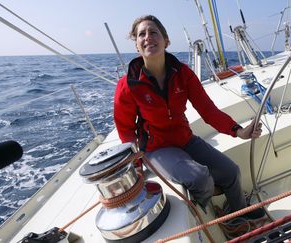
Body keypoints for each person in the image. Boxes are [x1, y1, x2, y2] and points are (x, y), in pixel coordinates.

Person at [113, 15, 264, 221]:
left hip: (186, 140)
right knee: (200, 177)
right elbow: (126, 130)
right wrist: (136, 168)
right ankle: (209, 219)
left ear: (166, 41)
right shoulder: (128, 85)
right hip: (156, 149)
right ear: (137, 45)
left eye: (153, 32)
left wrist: (239, 131)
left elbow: (208, 110)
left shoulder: (183, 73)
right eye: (142, 34)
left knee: (231, 171)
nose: (148, 37)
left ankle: (238, 214)